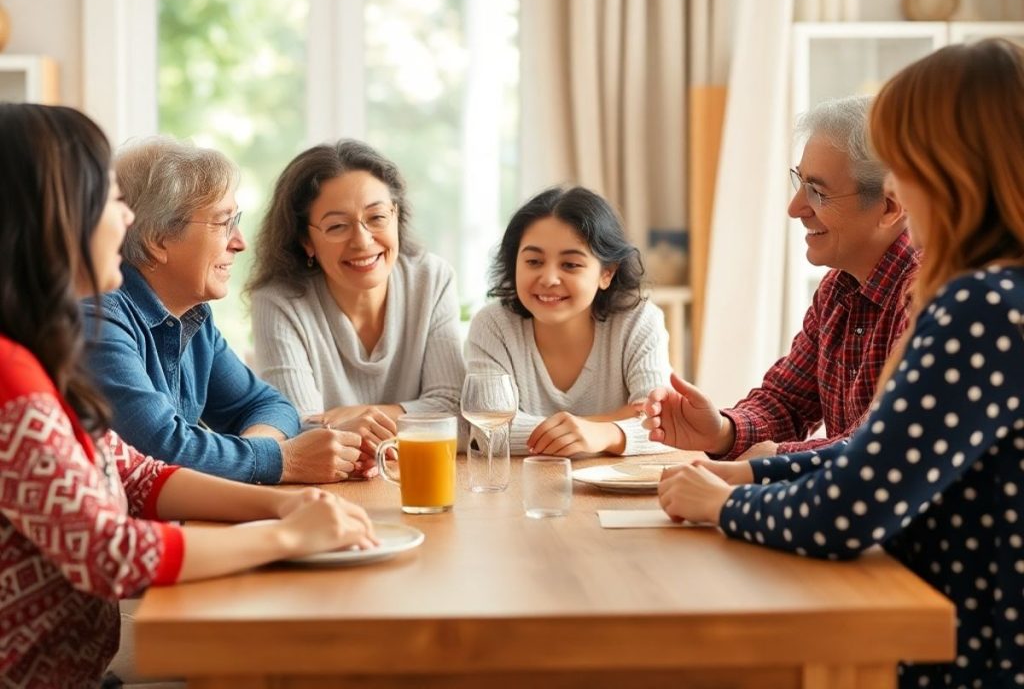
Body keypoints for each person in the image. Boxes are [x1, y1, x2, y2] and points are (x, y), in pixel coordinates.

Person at [651, 39, 1024, 687]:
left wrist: (727, 503)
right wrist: (741, 459)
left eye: (907, 162)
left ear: (951, 171)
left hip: (967, 653)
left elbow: (855, 504)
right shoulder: (998, 293)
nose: (902, 184)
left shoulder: (979, 305)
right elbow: (876, 458)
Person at [0, 103, 376, 688]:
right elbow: (108, 553)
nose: (124, 219)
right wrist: (283, 531)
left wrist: (283, 503)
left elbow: (139, 473)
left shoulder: (37, 355)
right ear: (57, 216)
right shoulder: (11, 373)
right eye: (109, 200)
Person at [81, 136, 372, 484]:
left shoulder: (193, 316)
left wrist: (261, 456)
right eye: (223, 223)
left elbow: (268, 406)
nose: (240, 242)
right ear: (157, 239)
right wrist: (284, 459)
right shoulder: (98, 320)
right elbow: (164, 451)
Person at [648, 95, 918, 460]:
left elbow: (880, 448)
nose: (795, 209)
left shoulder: (927, 294)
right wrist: (722, 431)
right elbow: (787, 403)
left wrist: (772, 460)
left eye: (818, 192)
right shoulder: (837, 289)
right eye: (800, 183)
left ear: (889, 208)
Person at [247, 139, 465, 454]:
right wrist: (414, 416)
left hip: (420, 476)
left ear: (396, 215)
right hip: (327, 488)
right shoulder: (278, 301)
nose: (362, 241)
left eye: (377, 217)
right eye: (337, 226)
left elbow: (457, 414)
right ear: (306, 240)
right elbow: (295, 429)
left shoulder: (431, 279)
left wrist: (361, 417)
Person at [466, 186, 671, 456]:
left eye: (570, 265)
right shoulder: (493, 325)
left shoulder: (639, 321)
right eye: (534, 261)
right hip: (521, 489)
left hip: (619, 490)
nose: (549, 278)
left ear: (606, 273)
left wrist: (605, 434)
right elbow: (487, 433)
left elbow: (665, 427)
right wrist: (610, 423)